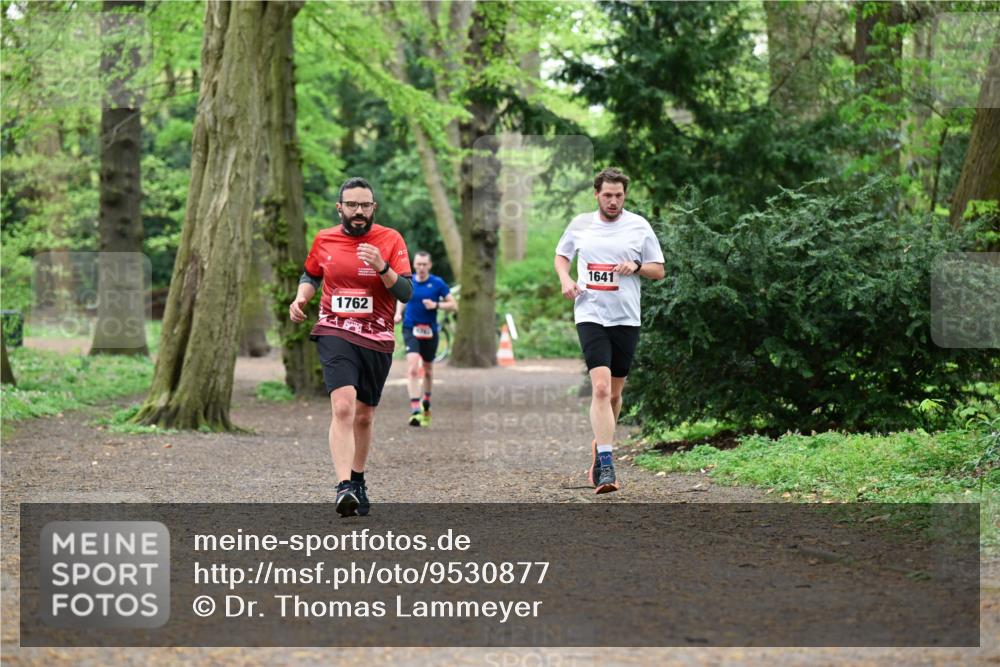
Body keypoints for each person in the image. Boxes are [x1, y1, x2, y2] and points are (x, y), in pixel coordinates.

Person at [290, 177, 412, 517]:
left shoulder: (390, 240)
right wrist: (302, 298)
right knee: (343, 407)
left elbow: (405, 292)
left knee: (364, 415)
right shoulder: (324, 239)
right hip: (335, 329)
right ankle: (343, 485)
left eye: (365, 205)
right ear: (340, 207)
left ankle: (358, 479)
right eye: (352, 205)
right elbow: (310, 275)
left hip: (378, 337)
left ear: (374, 208)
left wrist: (382, 267)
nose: (358, 211)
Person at [553, 167, 665, 494]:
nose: (613, 201)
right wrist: (566, 279)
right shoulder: (580, 224)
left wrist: (637, 267)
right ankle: (607, 465)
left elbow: (659, 270)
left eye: (618, 195)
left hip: (626, 318)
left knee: (615, 394)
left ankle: (600, 442)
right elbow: (562, 257)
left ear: (624, 195)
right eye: (607, 195)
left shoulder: (639, 226)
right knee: (600, 389)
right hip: (590, 312)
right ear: (596, 194)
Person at [393, 251, 457, 427]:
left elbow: (453, 305)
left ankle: (426, 401)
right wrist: (398, 313)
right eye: (418, 264)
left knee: (428, 369)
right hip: (410, 328)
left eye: (424, 264)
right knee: (413, 367)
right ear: (414, 265)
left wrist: (436, 305)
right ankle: (415, 410)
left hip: (430, 331)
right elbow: (402, 298)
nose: (421, 268)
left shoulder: (437, 283)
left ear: (429, 265)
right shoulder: (409, 281)